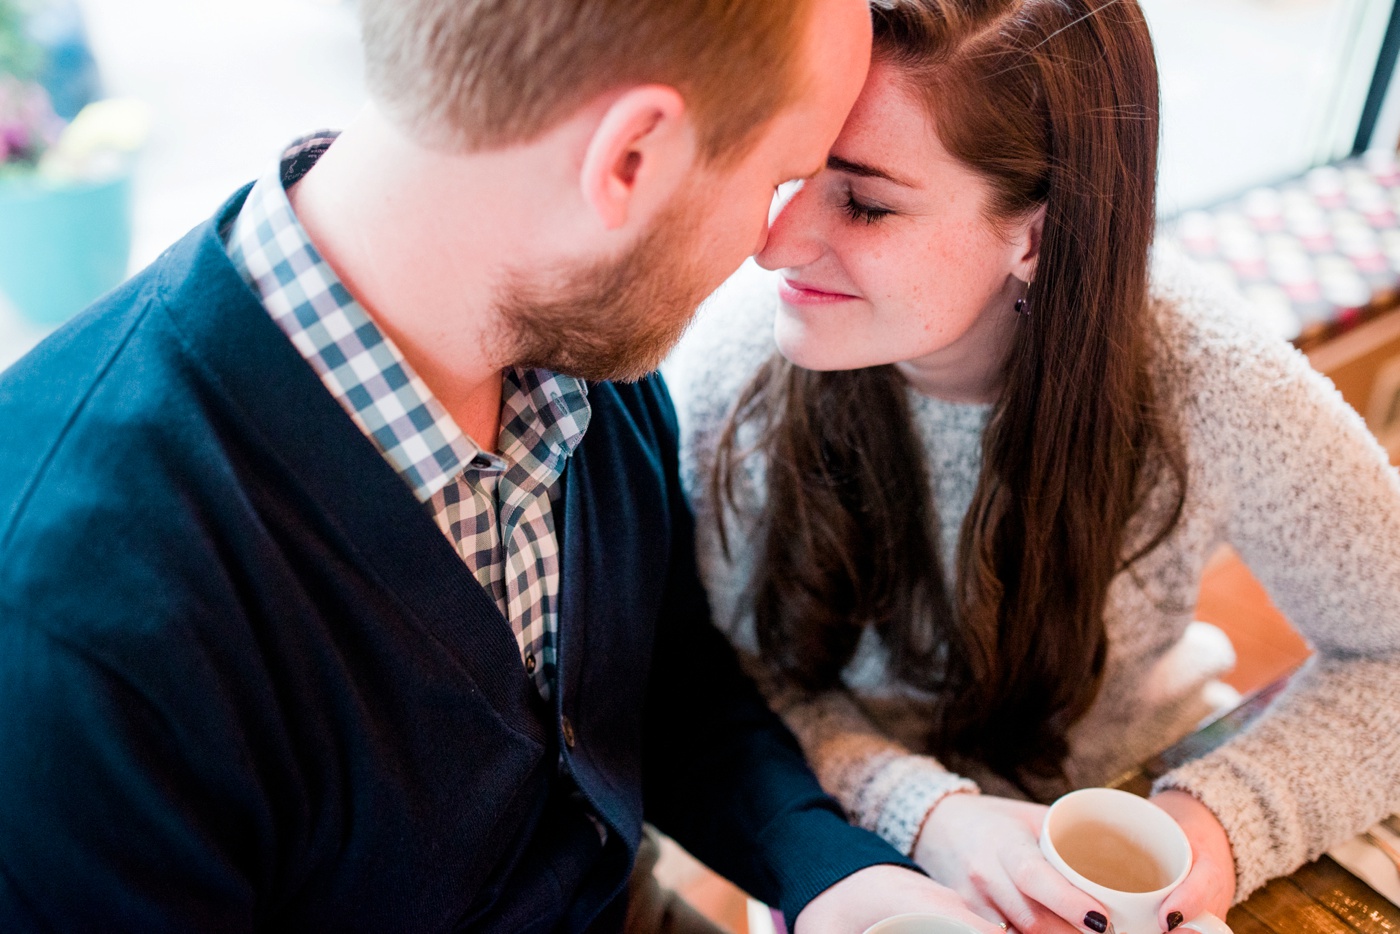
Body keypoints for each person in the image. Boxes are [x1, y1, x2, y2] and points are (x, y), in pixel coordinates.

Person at [0, 1, 1003, 931]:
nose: (776, 243)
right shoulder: (73, 631)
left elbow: (665, 679)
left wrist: (837, 878)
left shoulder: (572, 323)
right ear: (630, 160)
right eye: (777, 178)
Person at [669, 0, 1400, 932]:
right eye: (794, 169)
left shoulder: (1210, 373)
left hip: (1127, 811)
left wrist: (1210, 825)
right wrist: (929, 815)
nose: (771, 242)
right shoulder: (735, 364)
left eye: (864, 200)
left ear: (1040, 238)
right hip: (846, 844)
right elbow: (730, 687)